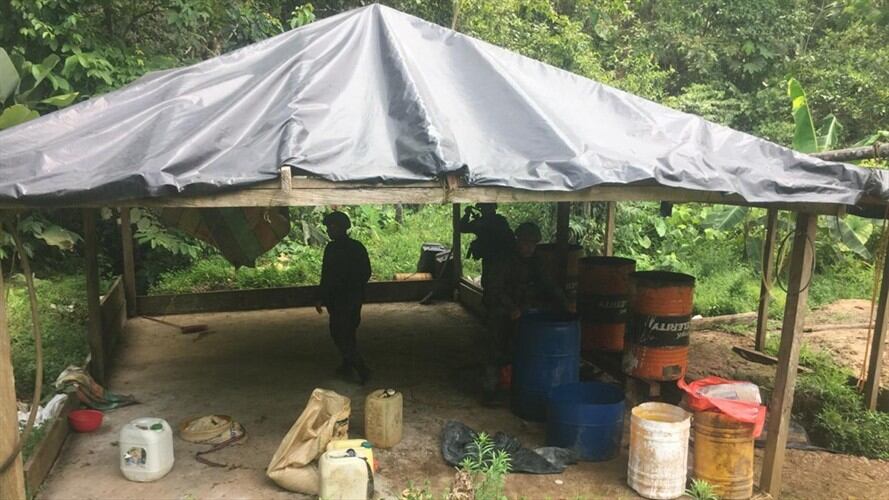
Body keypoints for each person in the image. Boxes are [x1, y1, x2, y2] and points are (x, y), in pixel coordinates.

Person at [480, 222, 570, 403]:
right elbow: (493, 288)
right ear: (517, 241)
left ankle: (518, 383)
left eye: (533, 244)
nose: (529, 247)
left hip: (523, 307)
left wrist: (564, 304)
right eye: (525, 243)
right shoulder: (504, 260)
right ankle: (490, 388)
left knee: (525, 346)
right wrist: (511, 308)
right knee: (497, 344)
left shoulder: (537, 260)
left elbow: (549, 284)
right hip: (500, 306)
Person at [316, 211, 372, 384]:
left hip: (343, 299)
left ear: (339, 228)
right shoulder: (354, 247)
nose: (328, 231)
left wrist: (323, 295)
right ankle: (347, 364)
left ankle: (361, 368)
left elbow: (328, 276)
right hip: (350, 299)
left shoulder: (337, 249)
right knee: (348, 333)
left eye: (330, 227)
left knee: (340, 334)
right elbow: (366, 272)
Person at [459, 203, 515, 293]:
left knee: (494, 282)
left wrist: (467, 214)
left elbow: (462, 227)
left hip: (500, 258)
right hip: (494, 258)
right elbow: (461, 228)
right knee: (491, 282)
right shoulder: (499, 221)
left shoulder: (484, 222)